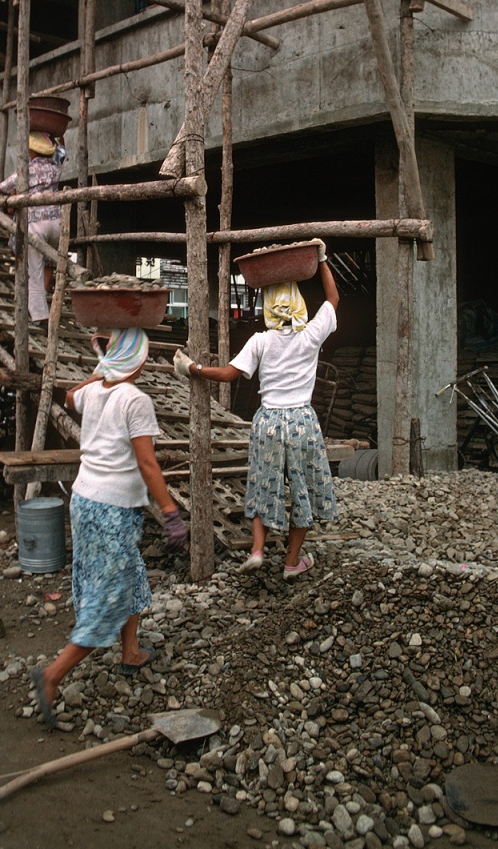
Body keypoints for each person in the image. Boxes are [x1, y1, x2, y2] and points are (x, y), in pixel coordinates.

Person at [29, 327, 188, 729]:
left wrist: (101, 369)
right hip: (112, 509)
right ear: (140, 361)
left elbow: (69, 396)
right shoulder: (136, 401)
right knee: (109, 596)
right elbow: (148, 464)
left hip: (84, 501)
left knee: (129, 573)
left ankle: (130, 651)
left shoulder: (93, 392)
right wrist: (170, 511)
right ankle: (53, 674)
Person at [174, 239, 339, 580]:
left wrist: (192, 368)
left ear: (267, 306)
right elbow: (333, 299)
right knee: (302, 491)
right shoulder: (311, 336)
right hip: (301, 421)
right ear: (298, 302)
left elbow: (228, 374)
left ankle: (258, 550)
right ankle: (292, 561)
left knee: (263, 485)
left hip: (268, 422)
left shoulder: (261, 341)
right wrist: (322, 259)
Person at [0, 131, 65, 326]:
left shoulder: (27, 168)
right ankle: (42, 301)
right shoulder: (56, 166)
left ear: (32, 151)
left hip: (36, 224)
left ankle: (40, 315)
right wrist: (56, 135)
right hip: (56, 225)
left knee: (34, 270)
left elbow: (6, 185)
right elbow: (62, 150)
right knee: (49, 263)